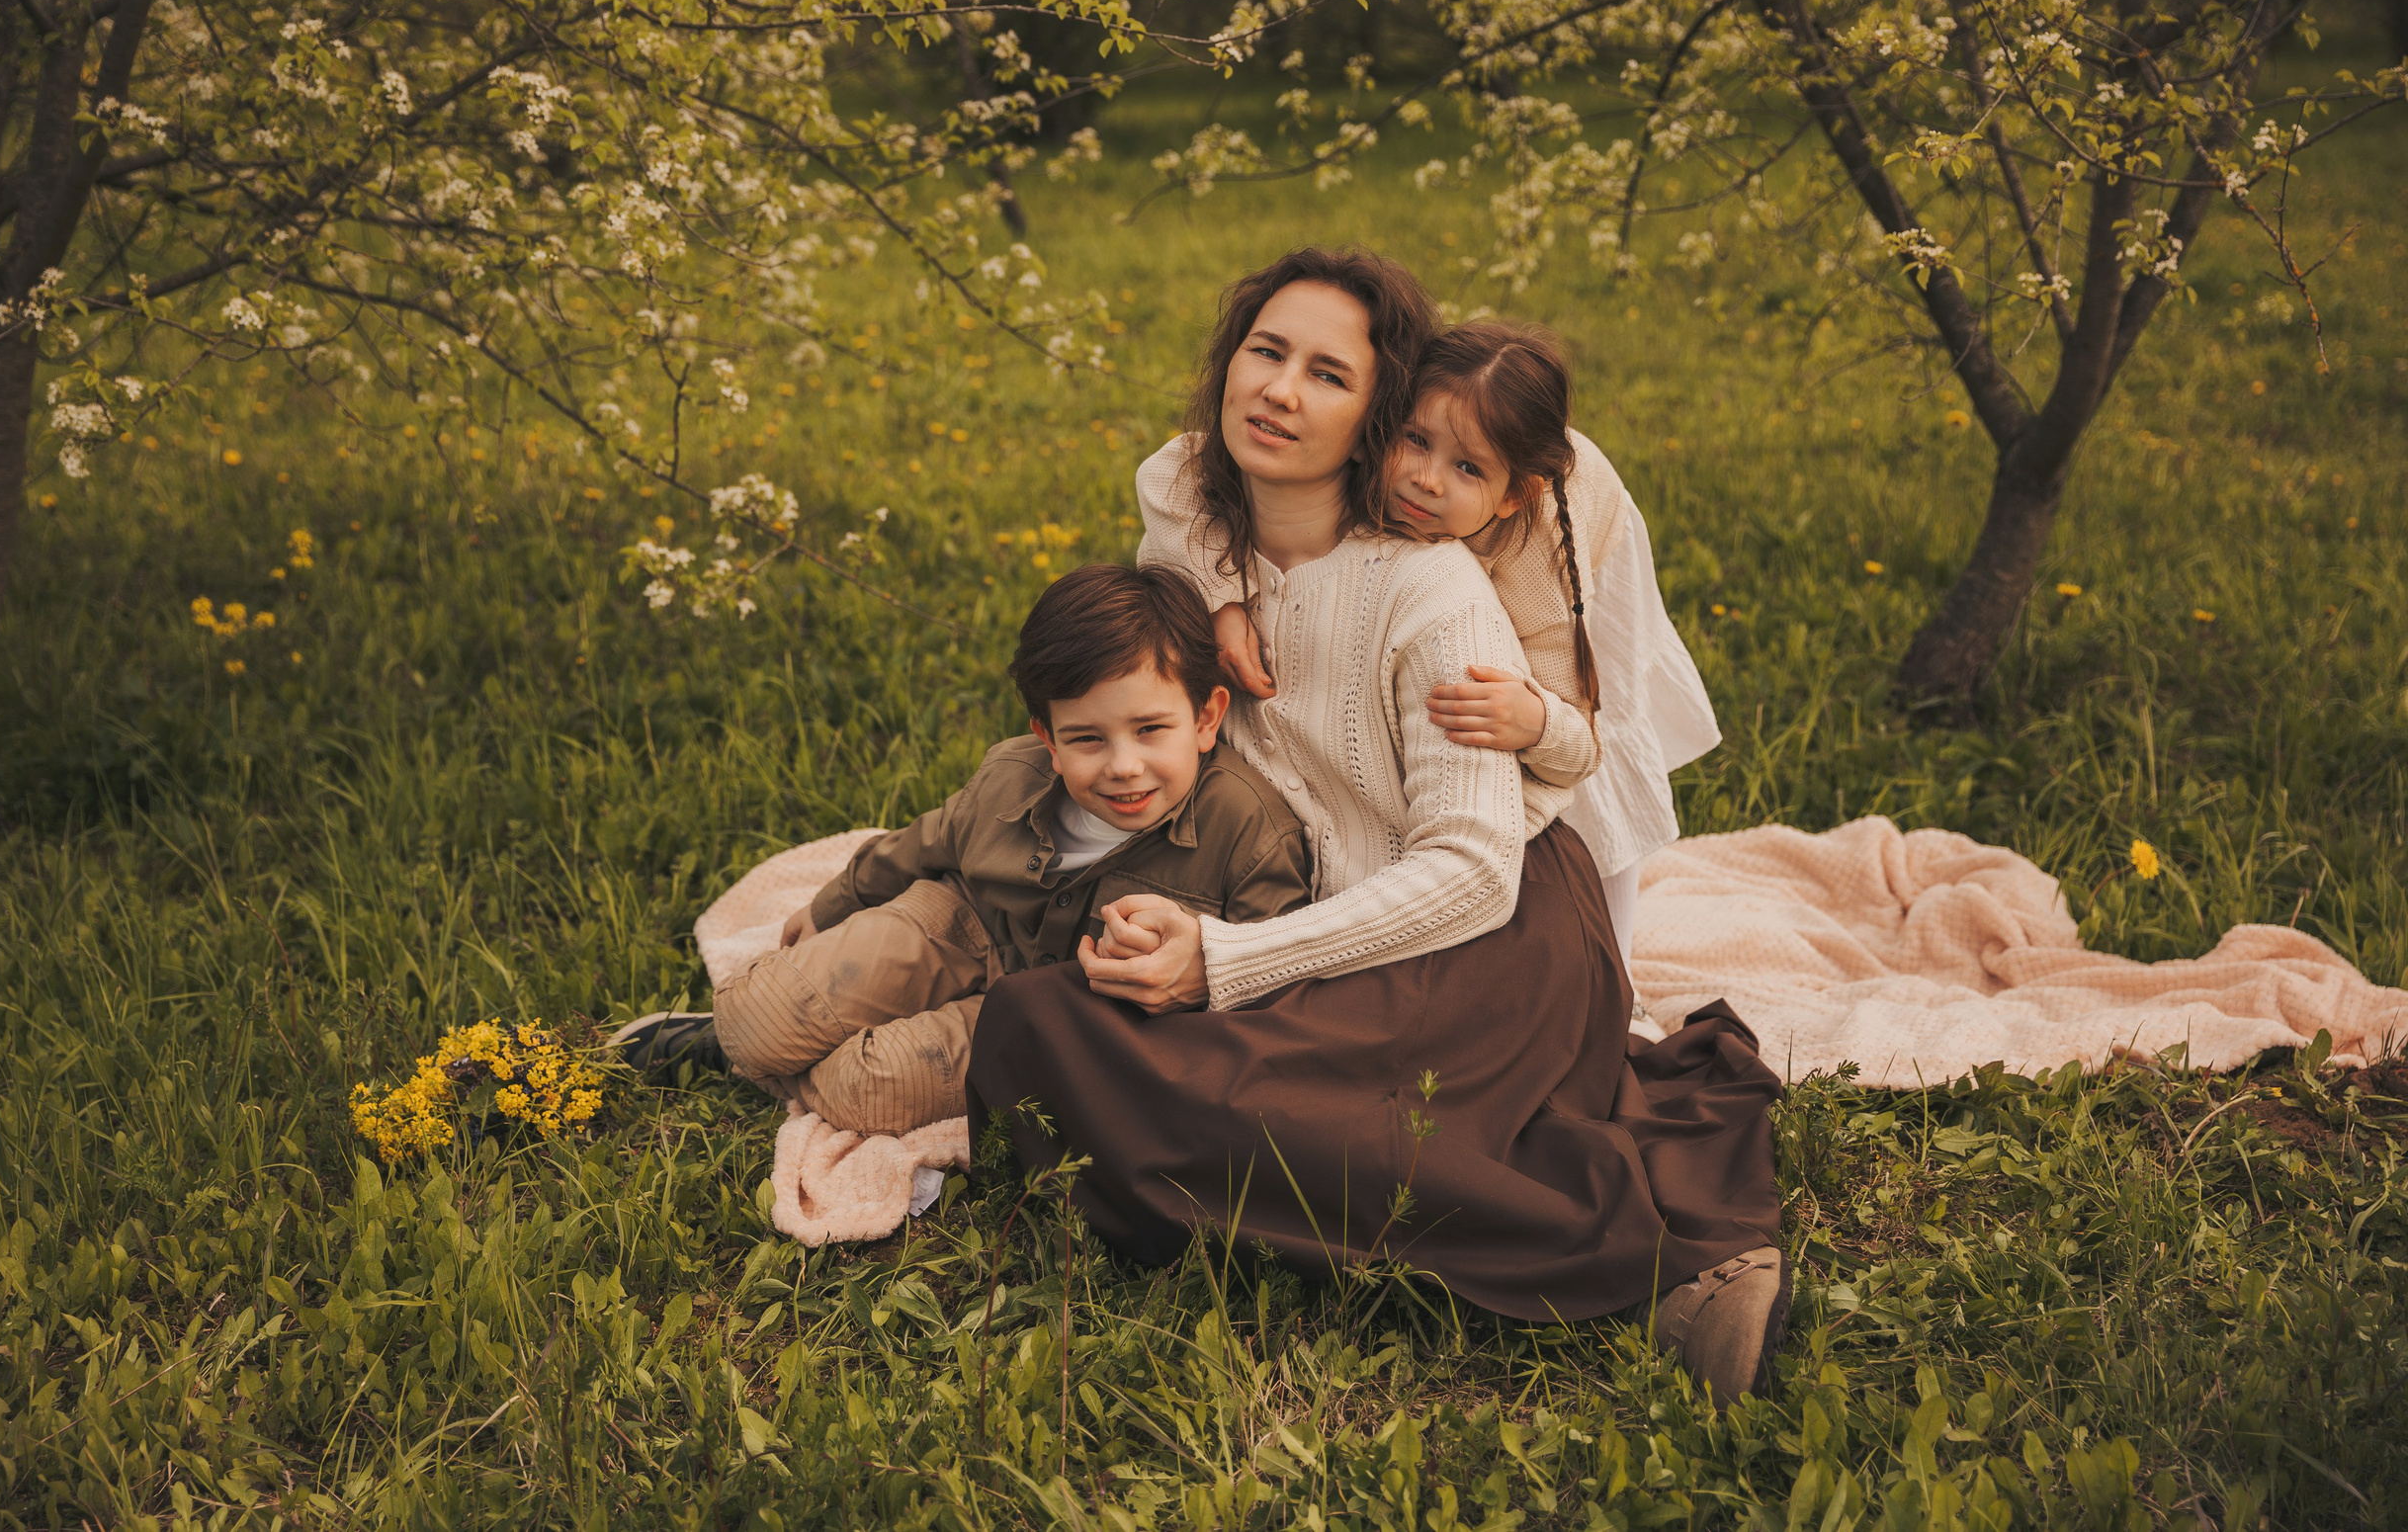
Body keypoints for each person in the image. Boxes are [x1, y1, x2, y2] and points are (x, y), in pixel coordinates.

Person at [968, 248, 1789, 1406]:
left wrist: (1225, 961)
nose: (1280, 394)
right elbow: (1174, 494)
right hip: (1327, 929)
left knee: (1308, 1106)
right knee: (1038, 1022)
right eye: (1264, 353)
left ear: (1375, 417)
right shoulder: (1189, 550)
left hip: (1490, 931)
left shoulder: (1431, 589)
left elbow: (1469, 873)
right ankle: (1340, 1163)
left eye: (1326, 375)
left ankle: (1667, 1268)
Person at [614, 562, 1312, 1136]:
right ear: (1048, 737)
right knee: (751, 1012)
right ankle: (738, 1040)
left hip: (1049, 1012)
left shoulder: (1247, 830)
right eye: (1088, 739)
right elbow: (931, 837)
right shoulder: (1014, 773)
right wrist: (837, 900)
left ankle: (784, 1066)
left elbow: (1268, 975)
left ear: (1205, 717)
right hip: (961, 920)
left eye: (1150, 729)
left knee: (865, 1089)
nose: (1123, 766)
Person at [1170, 319, 1720, 1025]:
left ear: (1510, 492)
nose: (1426, 480)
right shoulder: (1369, 471)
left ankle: (1618, 972)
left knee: (1601, 794)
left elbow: (1585, 741)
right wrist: (1220, 599)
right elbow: (1170, 469)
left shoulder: (1538, 547)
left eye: (1466, 468)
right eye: (1416, 442)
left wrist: (1539, 721)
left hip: (1588, 563)